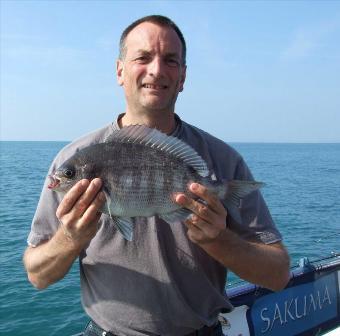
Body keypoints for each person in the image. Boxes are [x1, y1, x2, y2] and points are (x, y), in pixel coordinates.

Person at [23, 15, 290, 336]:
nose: (157, 70)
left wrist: (219, 240)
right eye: (143, 57)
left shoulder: (223, 160)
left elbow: (278, 275)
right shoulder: (71, 160)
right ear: (120, 70)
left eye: (171, 60)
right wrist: (70, 237)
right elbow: (37, 276)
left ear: (183, 77)